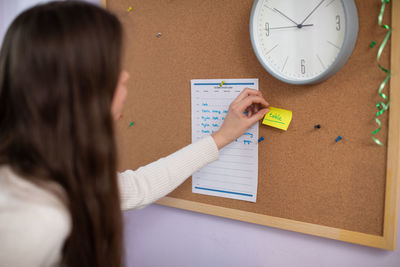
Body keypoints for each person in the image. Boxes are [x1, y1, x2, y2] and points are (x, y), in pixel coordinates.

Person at [0, 1, 269, 267]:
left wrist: (222, 137)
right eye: (112, 65)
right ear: (77, 88)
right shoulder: (34, 221)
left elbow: (138, 187)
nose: (125, 75)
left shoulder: (51, 173)